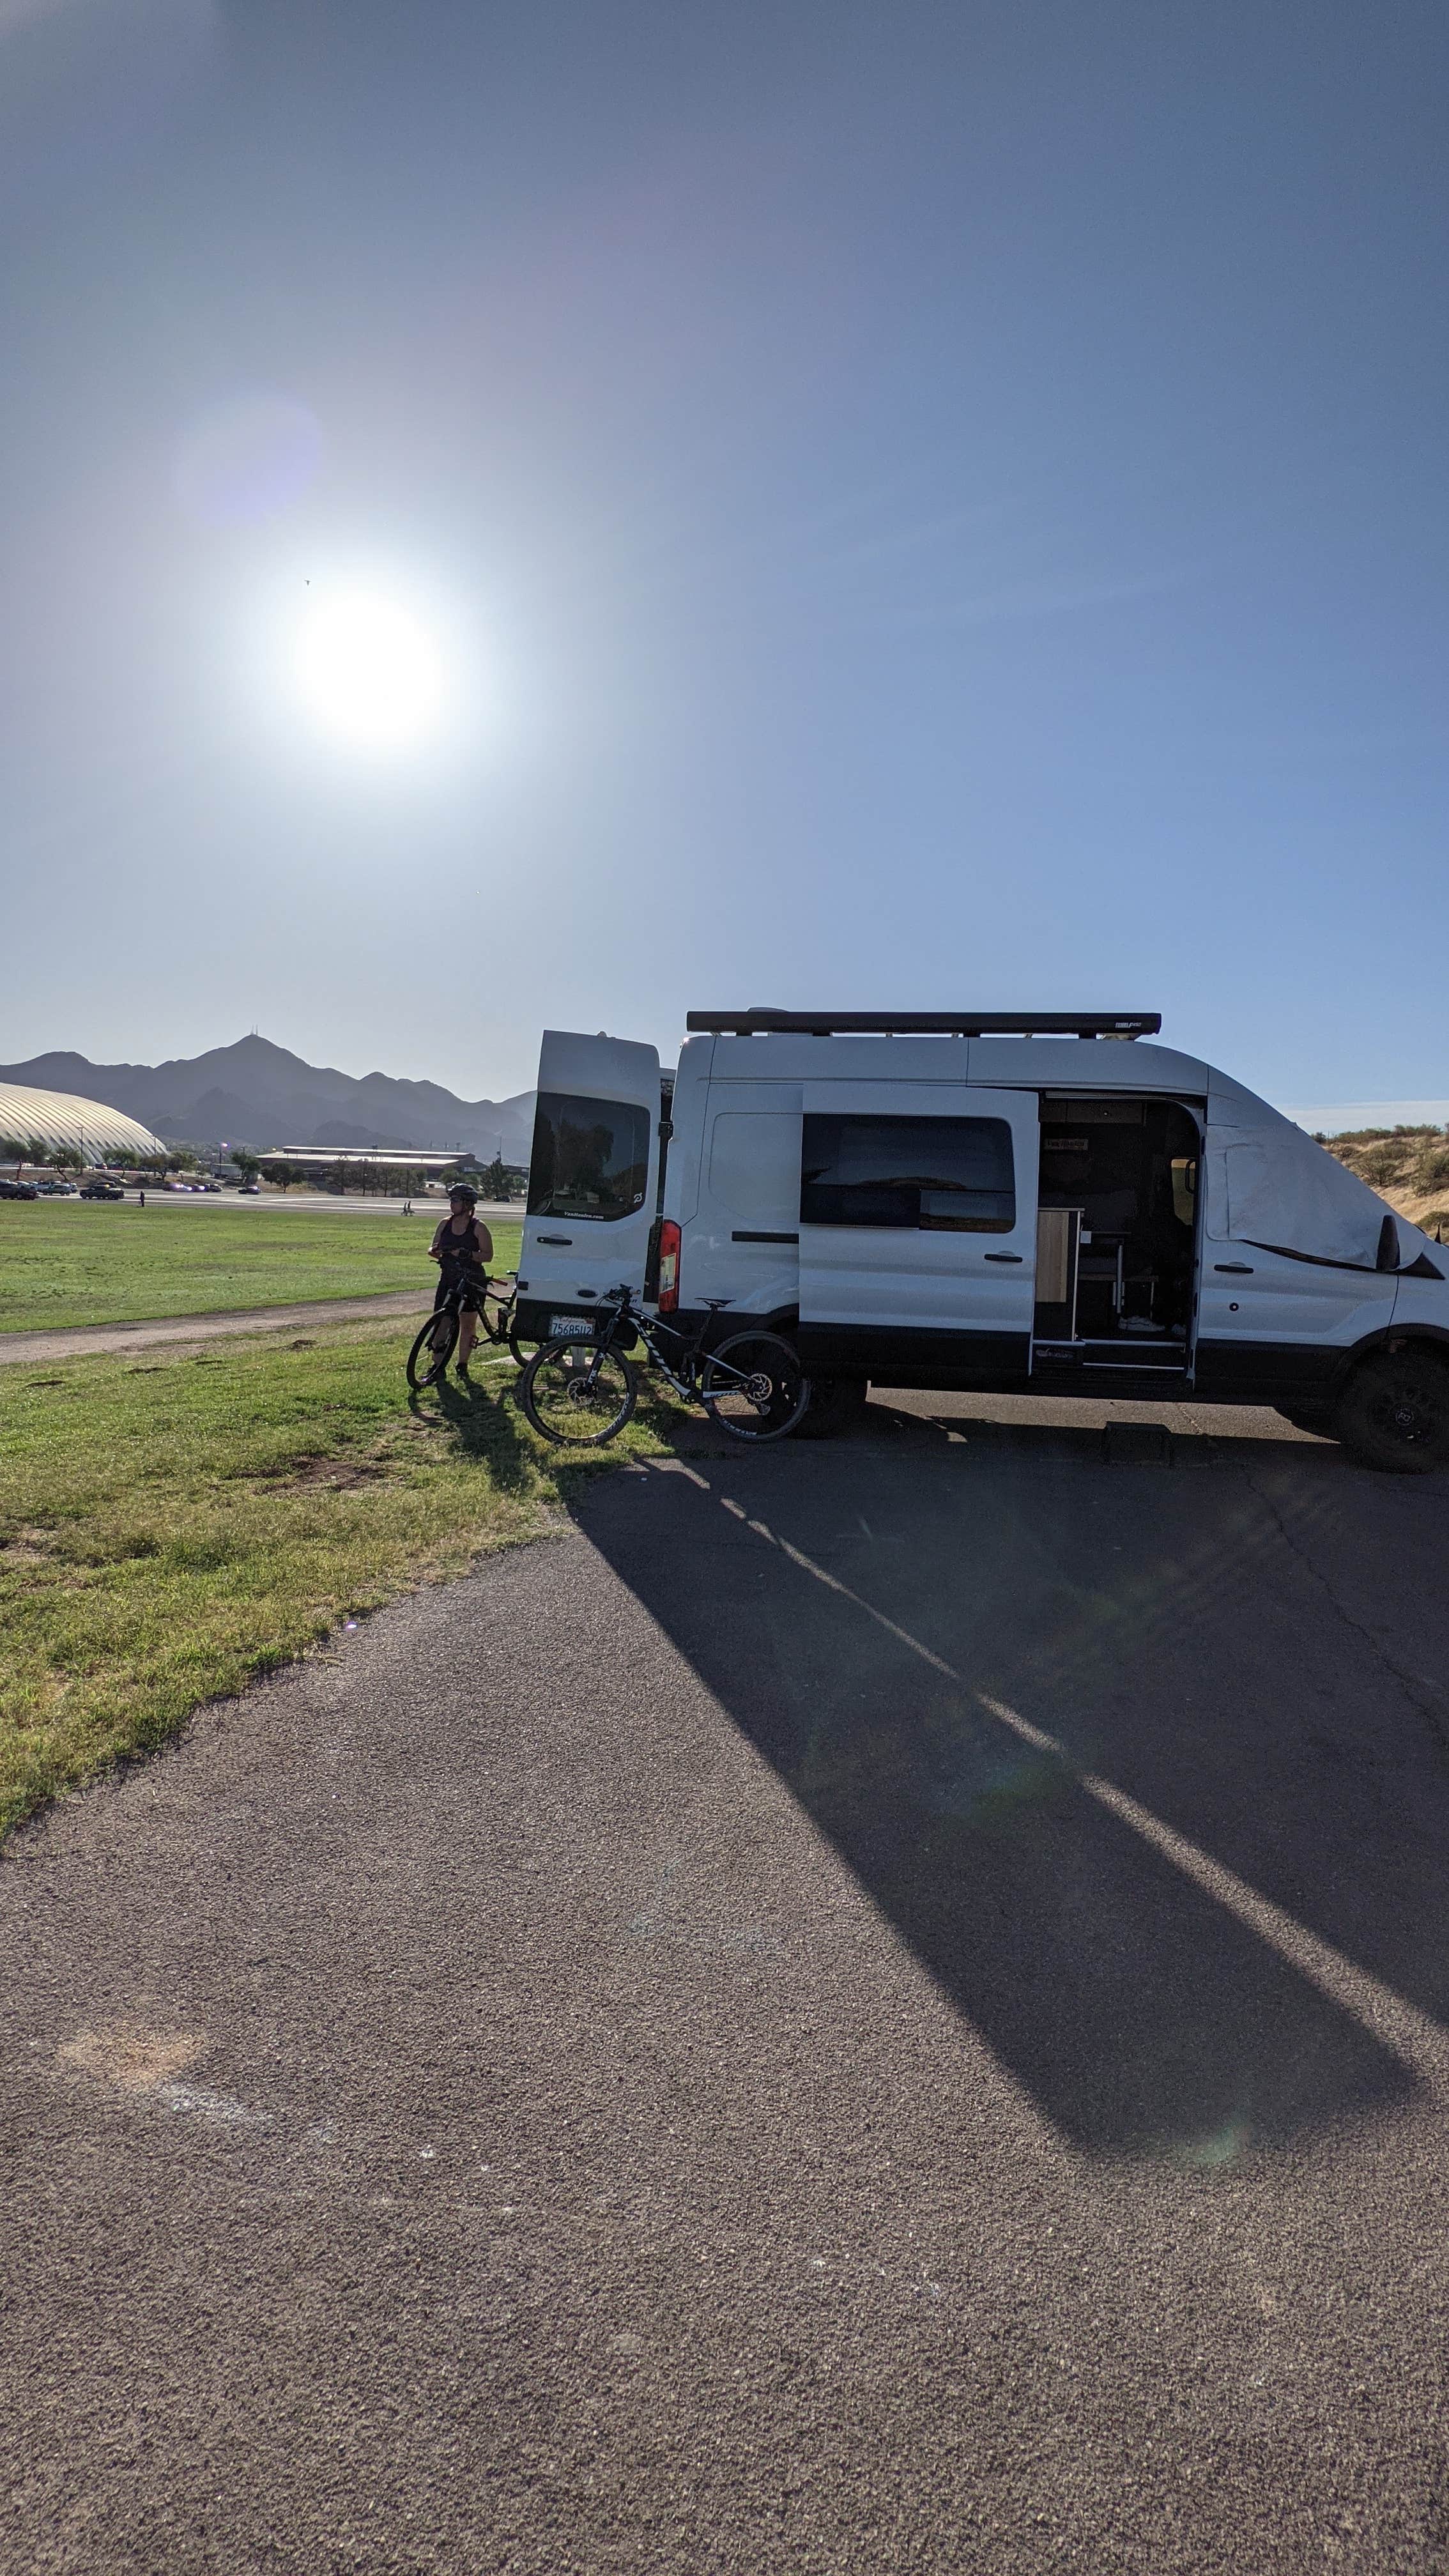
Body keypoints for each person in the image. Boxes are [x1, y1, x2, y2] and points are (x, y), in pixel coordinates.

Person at [427, 1183, 493, 1376]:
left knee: (468, 1323)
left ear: (467, 1204)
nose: (451, 1204)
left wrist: (467, 1254)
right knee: (442, 1321)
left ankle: (462, 1364)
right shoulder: (444, 1224)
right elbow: (432, 1248)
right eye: (451, 1200)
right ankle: (437, 1366)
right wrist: (437, 1252)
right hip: (449, 1278)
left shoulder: (478, 1227)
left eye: (455, 1200)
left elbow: (488, 1255)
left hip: (472, 1280)